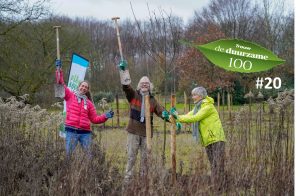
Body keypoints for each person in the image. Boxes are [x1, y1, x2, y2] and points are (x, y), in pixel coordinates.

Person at [169, 86, 226, 191]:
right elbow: (188, 116)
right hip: (208, 140)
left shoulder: (208, 107)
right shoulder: (197, 108)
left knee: (218, 164)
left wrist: (177, 116)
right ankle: (216, 186)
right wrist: (171, 117)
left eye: (194, 95)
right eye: (192, 95)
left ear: (201, 96)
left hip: (216, 138)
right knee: (213, 164)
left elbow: (195, 118)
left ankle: (220, 187)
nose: (192, 97)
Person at [56, 67, 114, 156]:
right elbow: (61, 84)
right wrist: (59, 71)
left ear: (87, 90)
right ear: (79, 87)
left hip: (85, 133)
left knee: (89, 157)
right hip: (71, 131)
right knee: (69, 155)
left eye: (86, 87)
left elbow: (94, 119)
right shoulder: (70, 96)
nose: (84, 88)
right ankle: (68, 170)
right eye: (82, 86)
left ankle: (87, 170)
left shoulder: (89, 103)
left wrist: (105, 116)